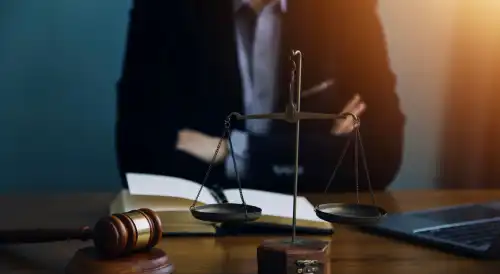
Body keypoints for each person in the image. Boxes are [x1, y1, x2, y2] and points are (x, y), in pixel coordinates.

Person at [115, 0, 405, 193]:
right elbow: (139, 157)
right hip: (203, 230)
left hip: (322, 232)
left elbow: (382, 155)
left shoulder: (347, 9)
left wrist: (233, 151)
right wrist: (324, 147)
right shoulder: (164, 8)